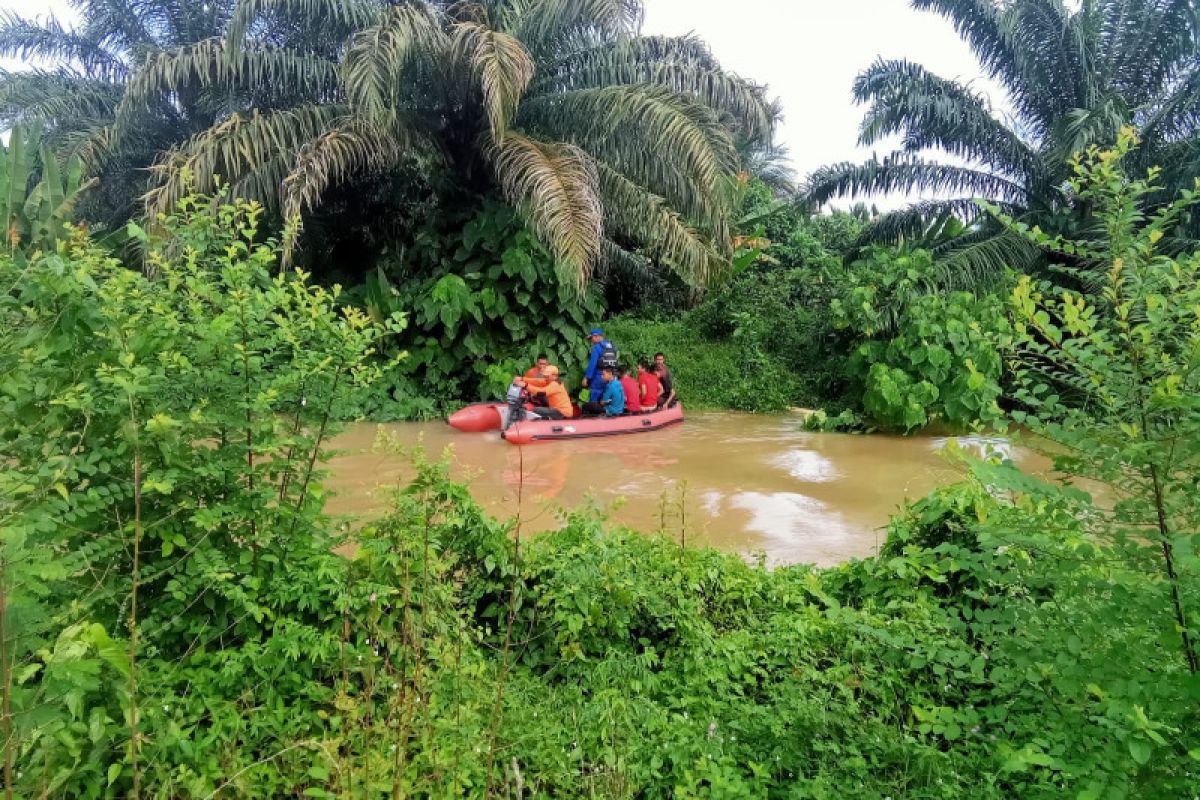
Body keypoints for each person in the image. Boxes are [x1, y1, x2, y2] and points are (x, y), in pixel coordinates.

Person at [582, 328, 619, 403]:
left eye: (591, 338)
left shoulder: (597, 347)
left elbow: (592, 364)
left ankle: (594, 413)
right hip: (610, 376)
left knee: (594, 396)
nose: (591, 341)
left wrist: (586, 378)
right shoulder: (611, 346)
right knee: (606, 397)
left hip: (599, 376)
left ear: (596, 336)